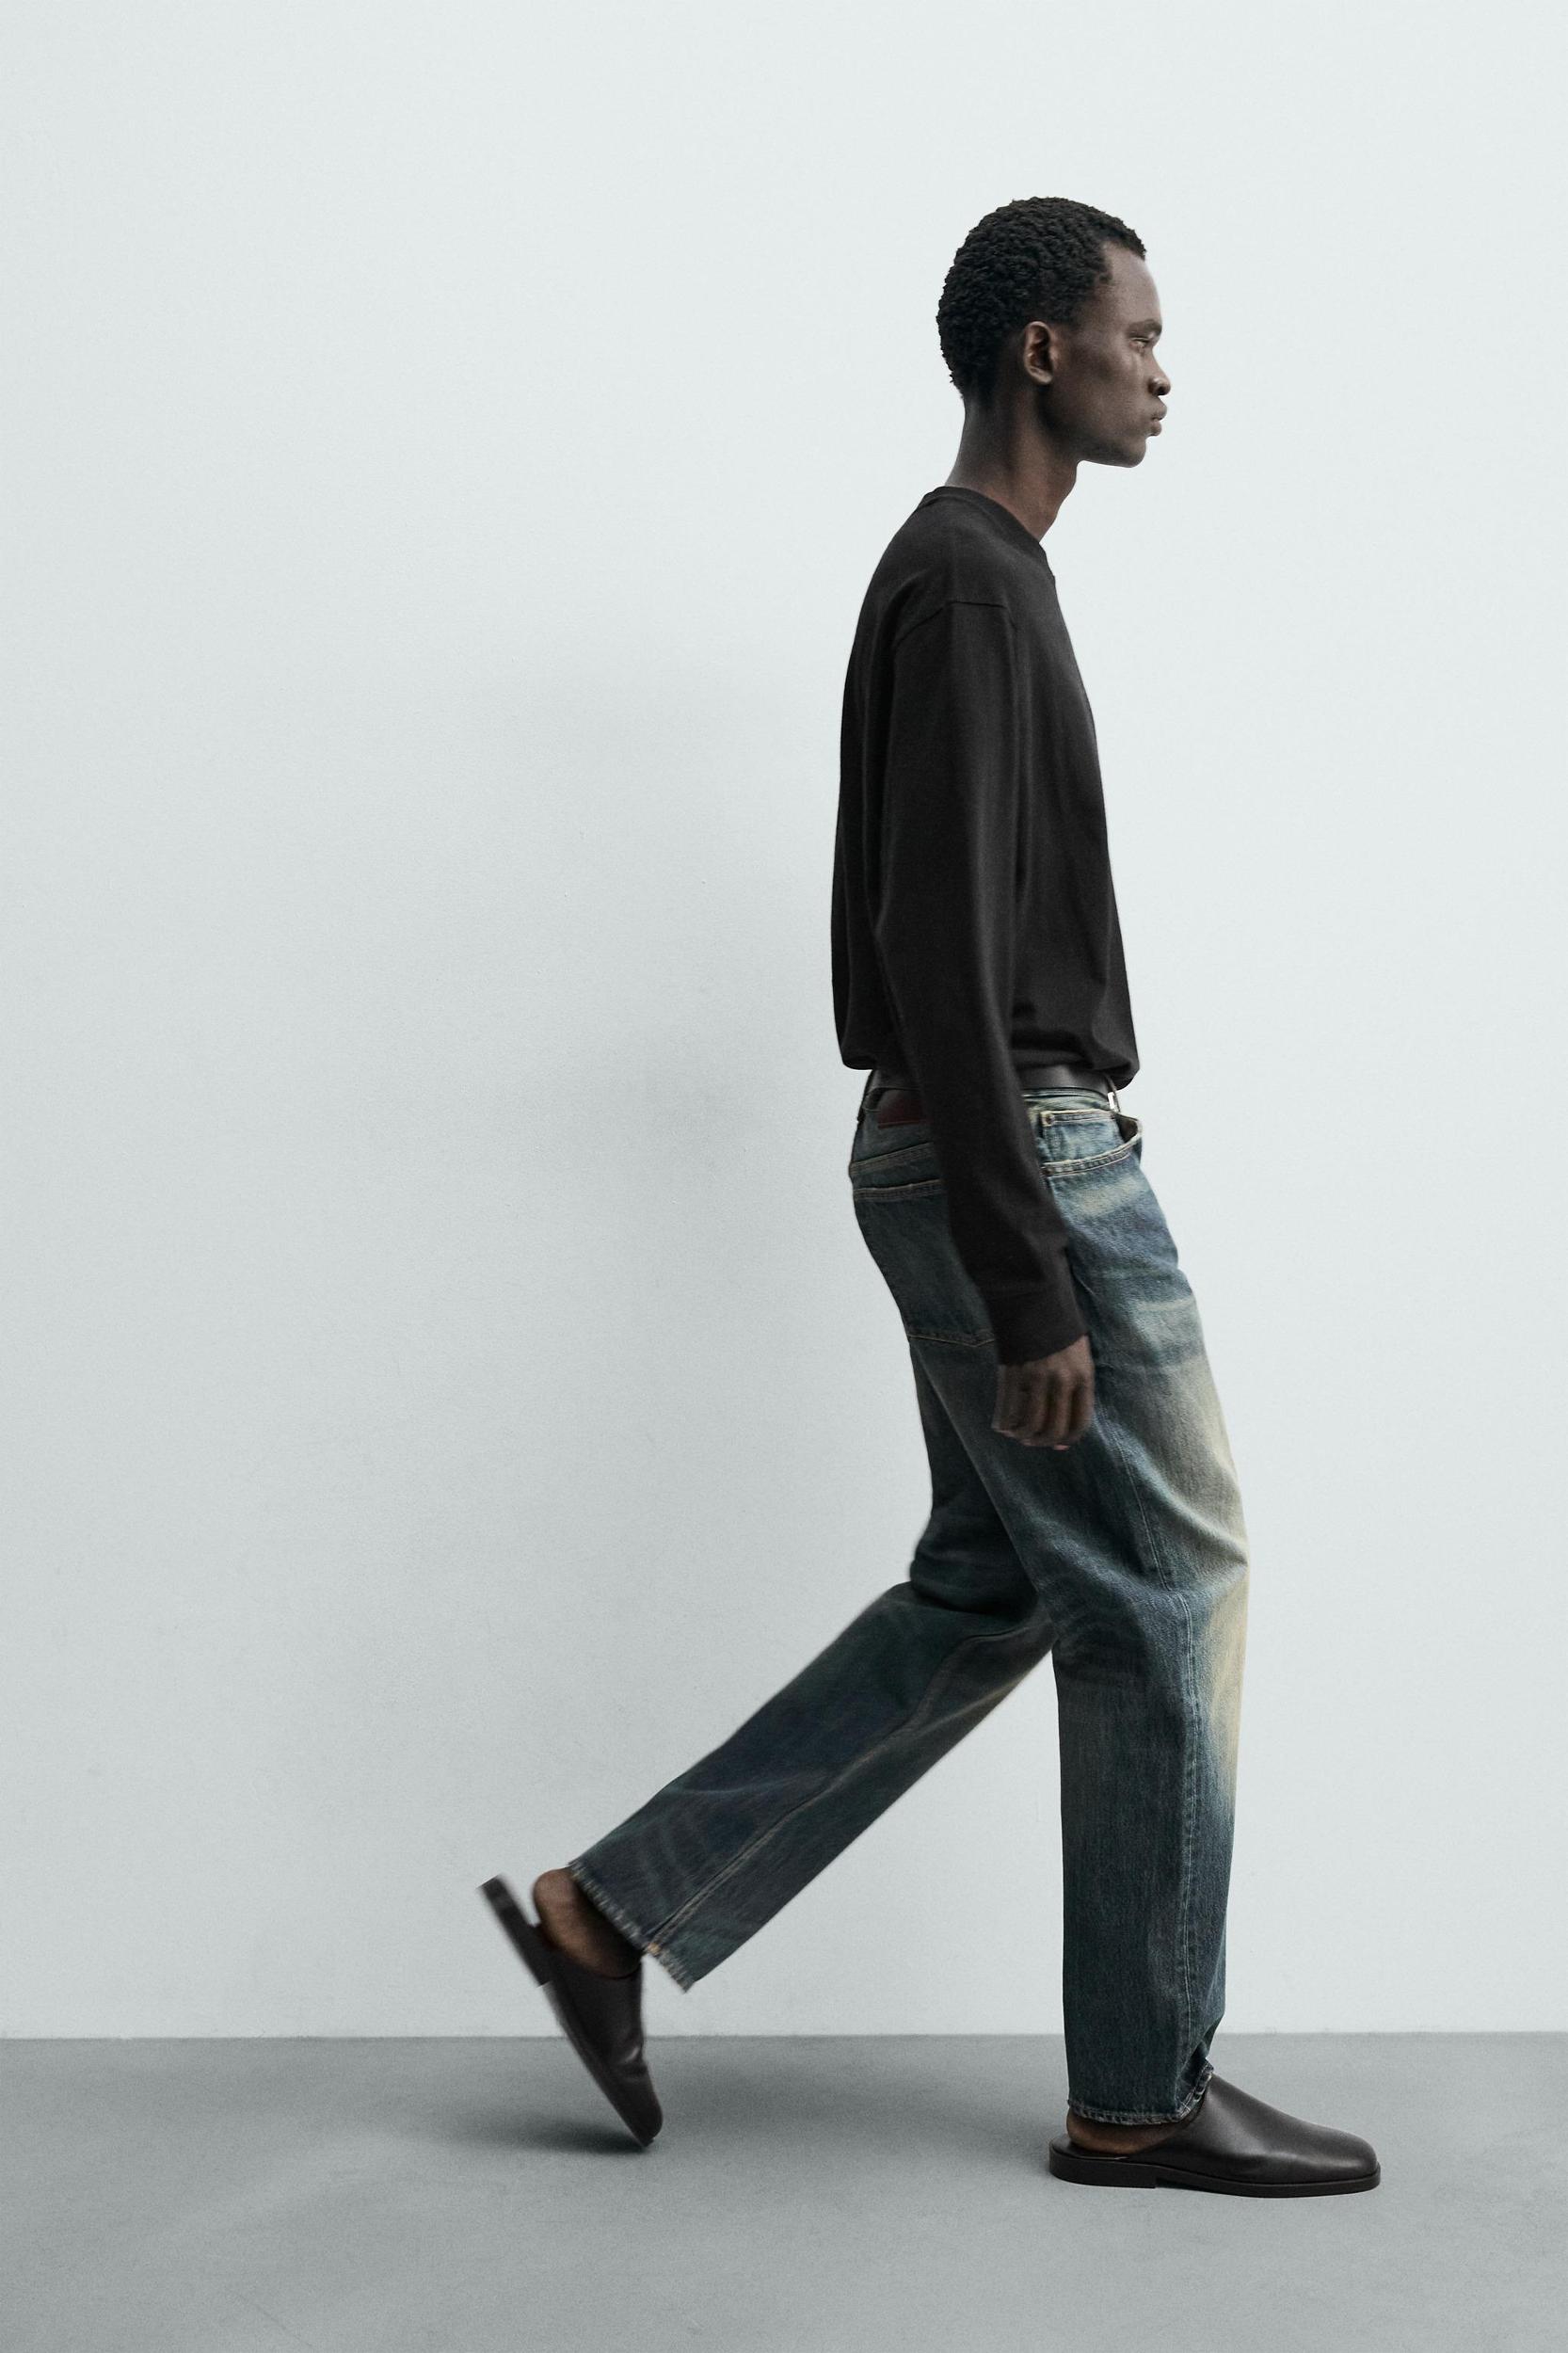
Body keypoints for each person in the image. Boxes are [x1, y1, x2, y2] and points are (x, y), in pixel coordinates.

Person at [482, 196, 1381, 2198]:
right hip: (1023, 1152)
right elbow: (937, 937)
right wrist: (1026, 1272)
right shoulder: (969, 581)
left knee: (999, 1584)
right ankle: (1138, 2090)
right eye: (1140, 334)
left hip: (972, 1144)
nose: (1163, 370)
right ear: (1043, 351)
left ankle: (606, 1912)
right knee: (1170, 1587)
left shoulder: (972, 572)